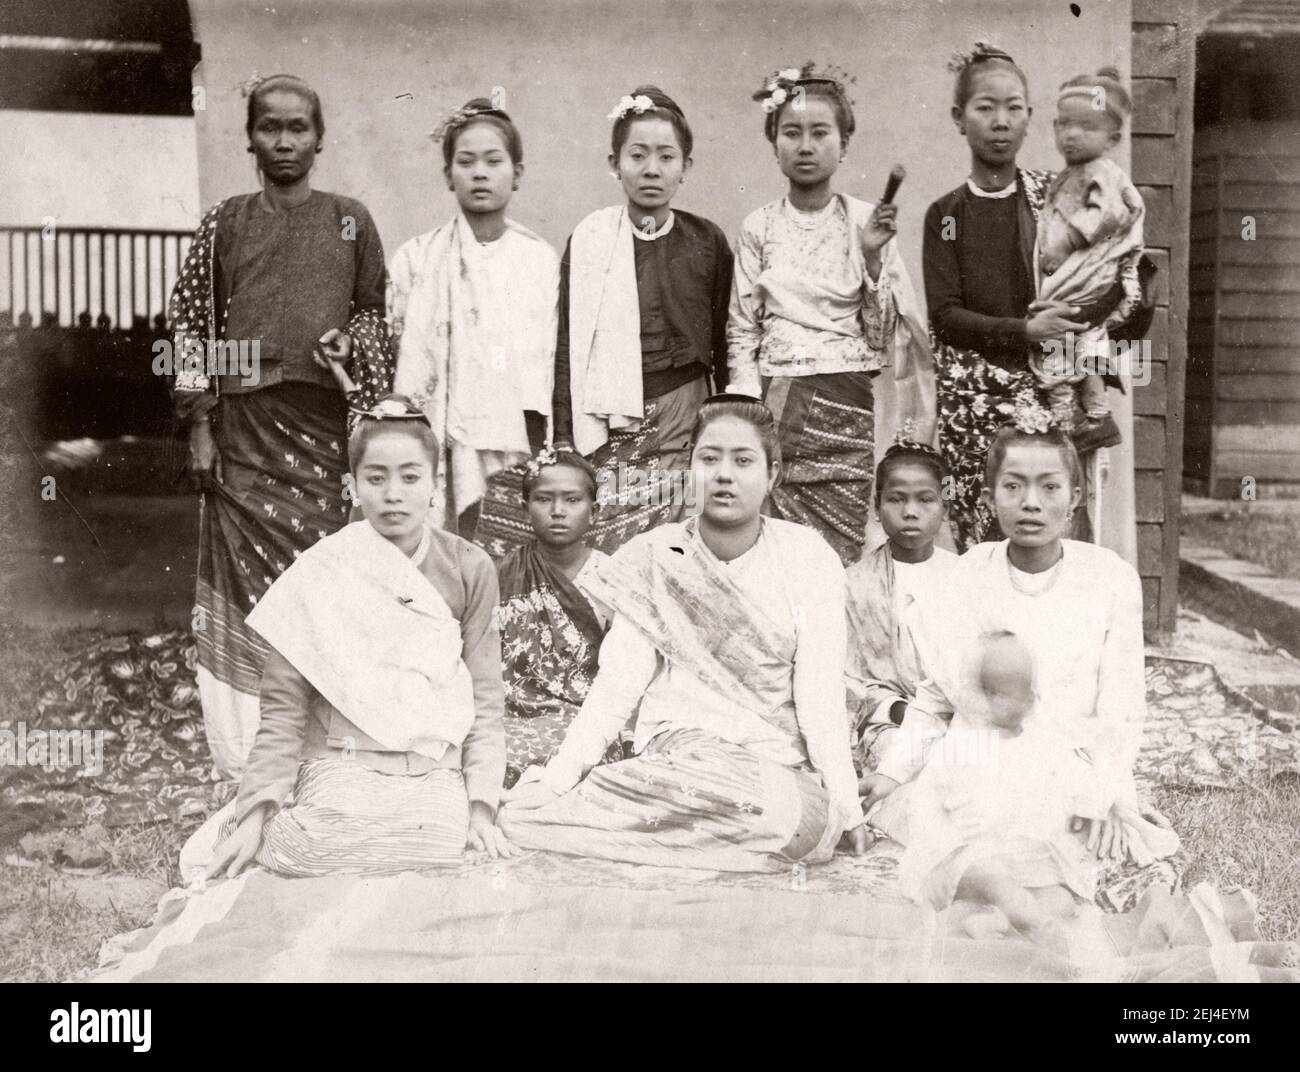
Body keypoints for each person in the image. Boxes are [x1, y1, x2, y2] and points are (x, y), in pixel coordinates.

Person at [499, 395, 868, 871]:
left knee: (798, 816)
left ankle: (658, 847)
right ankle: (714, 851)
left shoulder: (807, 557)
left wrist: (847, 806)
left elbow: (819, 696)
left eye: (743, 460)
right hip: (676, 764)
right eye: (709, 458)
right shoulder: (653, 555)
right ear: (689, 469)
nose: (724, 474)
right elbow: (617, 686)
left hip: (772, 771)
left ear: (772, 473)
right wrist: (558, 778)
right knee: (535, 810)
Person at [167, 74, 393, 777]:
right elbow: (190, 327)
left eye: (299, 128)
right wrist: (200, 423)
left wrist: (353, 345)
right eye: (271, 127)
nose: (285, 141)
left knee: (324, 582)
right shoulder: (226, 222)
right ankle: (250, 748)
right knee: (248, 591)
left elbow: (375, 314)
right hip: (244, 431)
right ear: (249, 138)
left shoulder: (349, 218)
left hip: (322, 435)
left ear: (319, 139)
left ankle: (327, 740)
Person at [199, 395, 511, 879]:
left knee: (442, 846)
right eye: (376, 478)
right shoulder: (321, 569)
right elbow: (283, 707)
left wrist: (482, 808)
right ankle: (259, 829)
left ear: (435, 485)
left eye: (410, 477)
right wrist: (255, 813)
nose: (393, 494)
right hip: (342, 763)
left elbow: (486, 696)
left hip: (431, 765)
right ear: (352, 485)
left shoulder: (470, 567)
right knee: (316, 848)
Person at [862, 426, 1179, 870]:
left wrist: (1101, 794)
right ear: (990, 496)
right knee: (960, 856)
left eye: (1049, 486)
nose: (1031, 502)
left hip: (1076, 768)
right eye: (1013, 486)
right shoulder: (969, 573)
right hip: (981, 766)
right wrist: (892, 773)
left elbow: (1121, 711)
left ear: (1076, 496)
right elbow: (938, 698)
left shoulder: (1108, 577)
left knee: (1073, 858)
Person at [728, 62, 934, 566]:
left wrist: (869, 256)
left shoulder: (866, 221)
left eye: (820, 132)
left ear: (845, 143)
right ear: (773, 141)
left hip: (847, 407)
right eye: (791, 132)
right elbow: (742, 329)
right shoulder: (758, 226)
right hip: (778, 405)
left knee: (839, 548)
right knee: (773, 550)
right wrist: (747, 413)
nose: (805, 145)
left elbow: (883, 335)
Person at [551, 86, 734, 554]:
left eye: (666, 156)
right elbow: (570, 344)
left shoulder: (706, 241)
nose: (651, 169)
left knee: (681, 550)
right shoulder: (591, 239)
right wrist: (567, 435)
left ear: (685, 167)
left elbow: (725, 341)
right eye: (637, 155)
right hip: (612, 418)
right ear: (615, 163)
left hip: (685, 413)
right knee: (614, 549)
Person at [389, 98, 559, 548]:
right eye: (466, 162)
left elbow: (546, 356)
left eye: (493, 160)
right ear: (448, 174)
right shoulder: (417, 258)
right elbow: (395, 349)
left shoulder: (539, 260)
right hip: (438, 428)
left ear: (517, 173)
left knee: (507, 555)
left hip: (514, 433)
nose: (480, 172)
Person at [898, 630, 1097, 945]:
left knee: (1064, 899)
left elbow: (1074, 785)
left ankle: (997, 920)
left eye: (1031, 688)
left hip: (1023, 863)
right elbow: (925, 805)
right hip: (971, 861)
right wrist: (945, 851)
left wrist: (1090, 812)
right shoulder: (963, 747)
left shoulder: (1042, 742)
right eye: (1019, 691)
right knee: (991, 877)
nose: (1033, 697)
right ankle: (1039, 926)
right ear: (993, 697)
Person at [1032, 67, 1144, 452]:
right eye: (1064, 125)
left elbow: (1109, 212)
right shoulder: (1068, 175)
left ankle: (1084, 414)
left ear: (1112, 138)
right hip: (1068, 271)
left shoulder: (1104, 173)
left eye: (1086, 127)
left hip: (1089, 274)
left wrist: (1066, 242)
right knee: (1071, 338)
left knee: (1063, 332)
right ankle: (1084, 413)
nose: (1071, 134)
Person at [495, 448, 622, 786]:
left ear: (593, 512)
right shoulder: (503, 573)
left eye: (572, 500)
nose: (557, 511)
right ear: (525, 509)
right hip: (507, 711)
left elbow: (623, 672)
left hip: (581, 715)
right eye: (544, 499)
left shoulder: (611, 579)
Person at [844, 439, 957, 774]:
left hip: (959, 721)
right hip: (892, 723)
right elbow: (849, 677)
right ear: (877, 508)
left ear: (945, 508)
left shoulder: (967, 577)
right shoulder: (854, 584)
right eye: (896, 499)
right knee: (902, 762)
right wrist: (899, 712)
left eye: (925, 499)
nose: (910, 511)